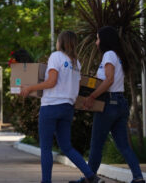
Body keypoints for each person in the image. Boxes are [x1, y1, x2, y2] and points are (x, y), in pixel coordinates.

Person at [20, 31, 104, 183]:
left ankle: (46, 181)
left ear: (61, 42)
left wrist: (30, 88)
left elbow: (51, 82)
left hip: (51, 106)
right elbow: (77, 87)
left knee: (45, 148)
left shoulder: (56, 56)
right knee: (66, 147)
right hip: (67, 108)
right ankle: (91, 176)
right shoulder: (76, 63)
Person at [70, 26, 145, 183]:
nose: (96, 43)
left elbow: (109, 80)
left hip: (108, 104)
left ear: (105, 40)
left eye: (98, 39)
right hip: (120, 103)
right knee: (123, 145)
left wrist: (92, 96)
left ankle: (89, 178)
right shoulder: (117, 56)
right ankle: (138, 177)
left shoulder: (109, 55)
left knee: (96, 144)